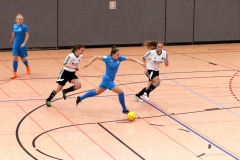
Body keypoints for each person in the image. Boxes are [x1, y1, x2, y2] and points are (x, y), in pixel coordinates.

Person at [76, 46, 145, 114]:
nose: (119, 56)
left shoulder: (119, 59)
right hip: (107, 80)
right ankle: (124, 109)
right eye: (117, 55)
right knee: (120, 92)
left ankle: (80, 98)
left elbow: (131, 58)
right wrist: (88, 64)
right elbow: (96, 57)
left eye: (119, 55)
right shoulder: (107, 59)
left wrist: (140, 62)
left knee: (96, 92)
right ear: (113, 54)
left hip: (108, 80)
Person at [10, 13, 30, 79]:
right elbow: (13, 33)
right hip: (15, 44)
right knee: (15, 58)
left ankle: (27, 66)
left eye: (21, 19)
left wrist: (24, 43)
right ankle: (14, 73)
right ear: (16, 20)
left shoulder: (24, 27)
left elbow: (27, 35)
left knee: (22, 58)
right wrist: (12, 39)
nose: (20, 21)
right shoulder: (14, 26)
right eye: (19, 19)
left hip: (21, 45)